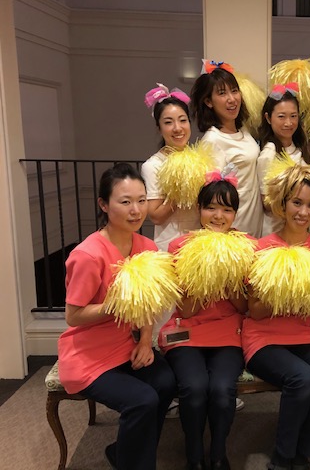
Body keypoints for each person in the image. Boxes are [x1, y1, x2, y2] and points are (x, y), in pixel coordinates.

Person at [57, 163, 176, 470]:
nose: (136, 210)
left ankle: (124, 452)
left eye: (141, 200)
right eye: (125, 202)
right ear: (104, 205)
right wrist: (115, 305)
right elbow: (73, 315)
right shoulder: (88, 255)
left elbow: (147, 303)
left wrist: (146, 341)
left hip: (126, 346)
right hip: (88, 355)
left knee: (166, 383)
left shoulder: (147, 248)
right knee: (142, 400)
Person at [243, 165, 310, 470]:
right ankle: (282, 458)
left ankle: (303, 452)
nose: (303, 212)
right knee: (302, 378)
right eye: (297, 202)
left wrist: (309, 298)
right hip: (263, 338)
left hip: (303, 336)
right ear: (283, 203)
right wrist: (288, 295)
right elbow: (255, 310)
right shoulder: (262, 248)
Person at [159, 174, 249, 470]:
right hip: (186, 330)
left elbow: (244, 307)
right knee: (194, 388)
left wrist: (229, 279)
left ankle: (218, 454)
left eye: (227, 209)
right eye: (211, 207)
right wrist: (206, 276)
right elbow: (185, 310)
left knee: (222, 390)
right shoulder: (180, 246)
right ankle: (194, 456)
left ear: (235, 214)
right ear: (199, 209)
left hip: (229, 332)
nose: (218, 216)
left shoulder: (246, 247)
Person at [190, 60, 263, 238]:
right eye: (222, 93)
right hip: (234, 223)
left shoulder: (244, 130)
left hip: (255, 216)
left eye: (234, 91)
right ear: (209, 101)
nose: (232, 99)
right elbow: (213, 194)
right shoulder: (212, 139)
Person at [141, 83, 199, 252]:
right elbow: (156, 216)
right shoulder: (153, 165)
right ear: (159, 128)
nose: (177, 128)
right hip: (169, 247)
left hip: (199, 245)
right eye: (168, 122)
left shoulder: (200, 159)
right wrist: (181, 191)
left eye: (183, 120)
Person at [257, 83, 309, 236]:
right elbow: (266, 204)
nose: (288, 123)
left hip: (301, 228)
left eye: (293, 116)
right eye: (281, 116)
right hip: (276, 231)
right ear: (268, 118)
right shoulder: (268, 155)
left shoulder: (300, 148)